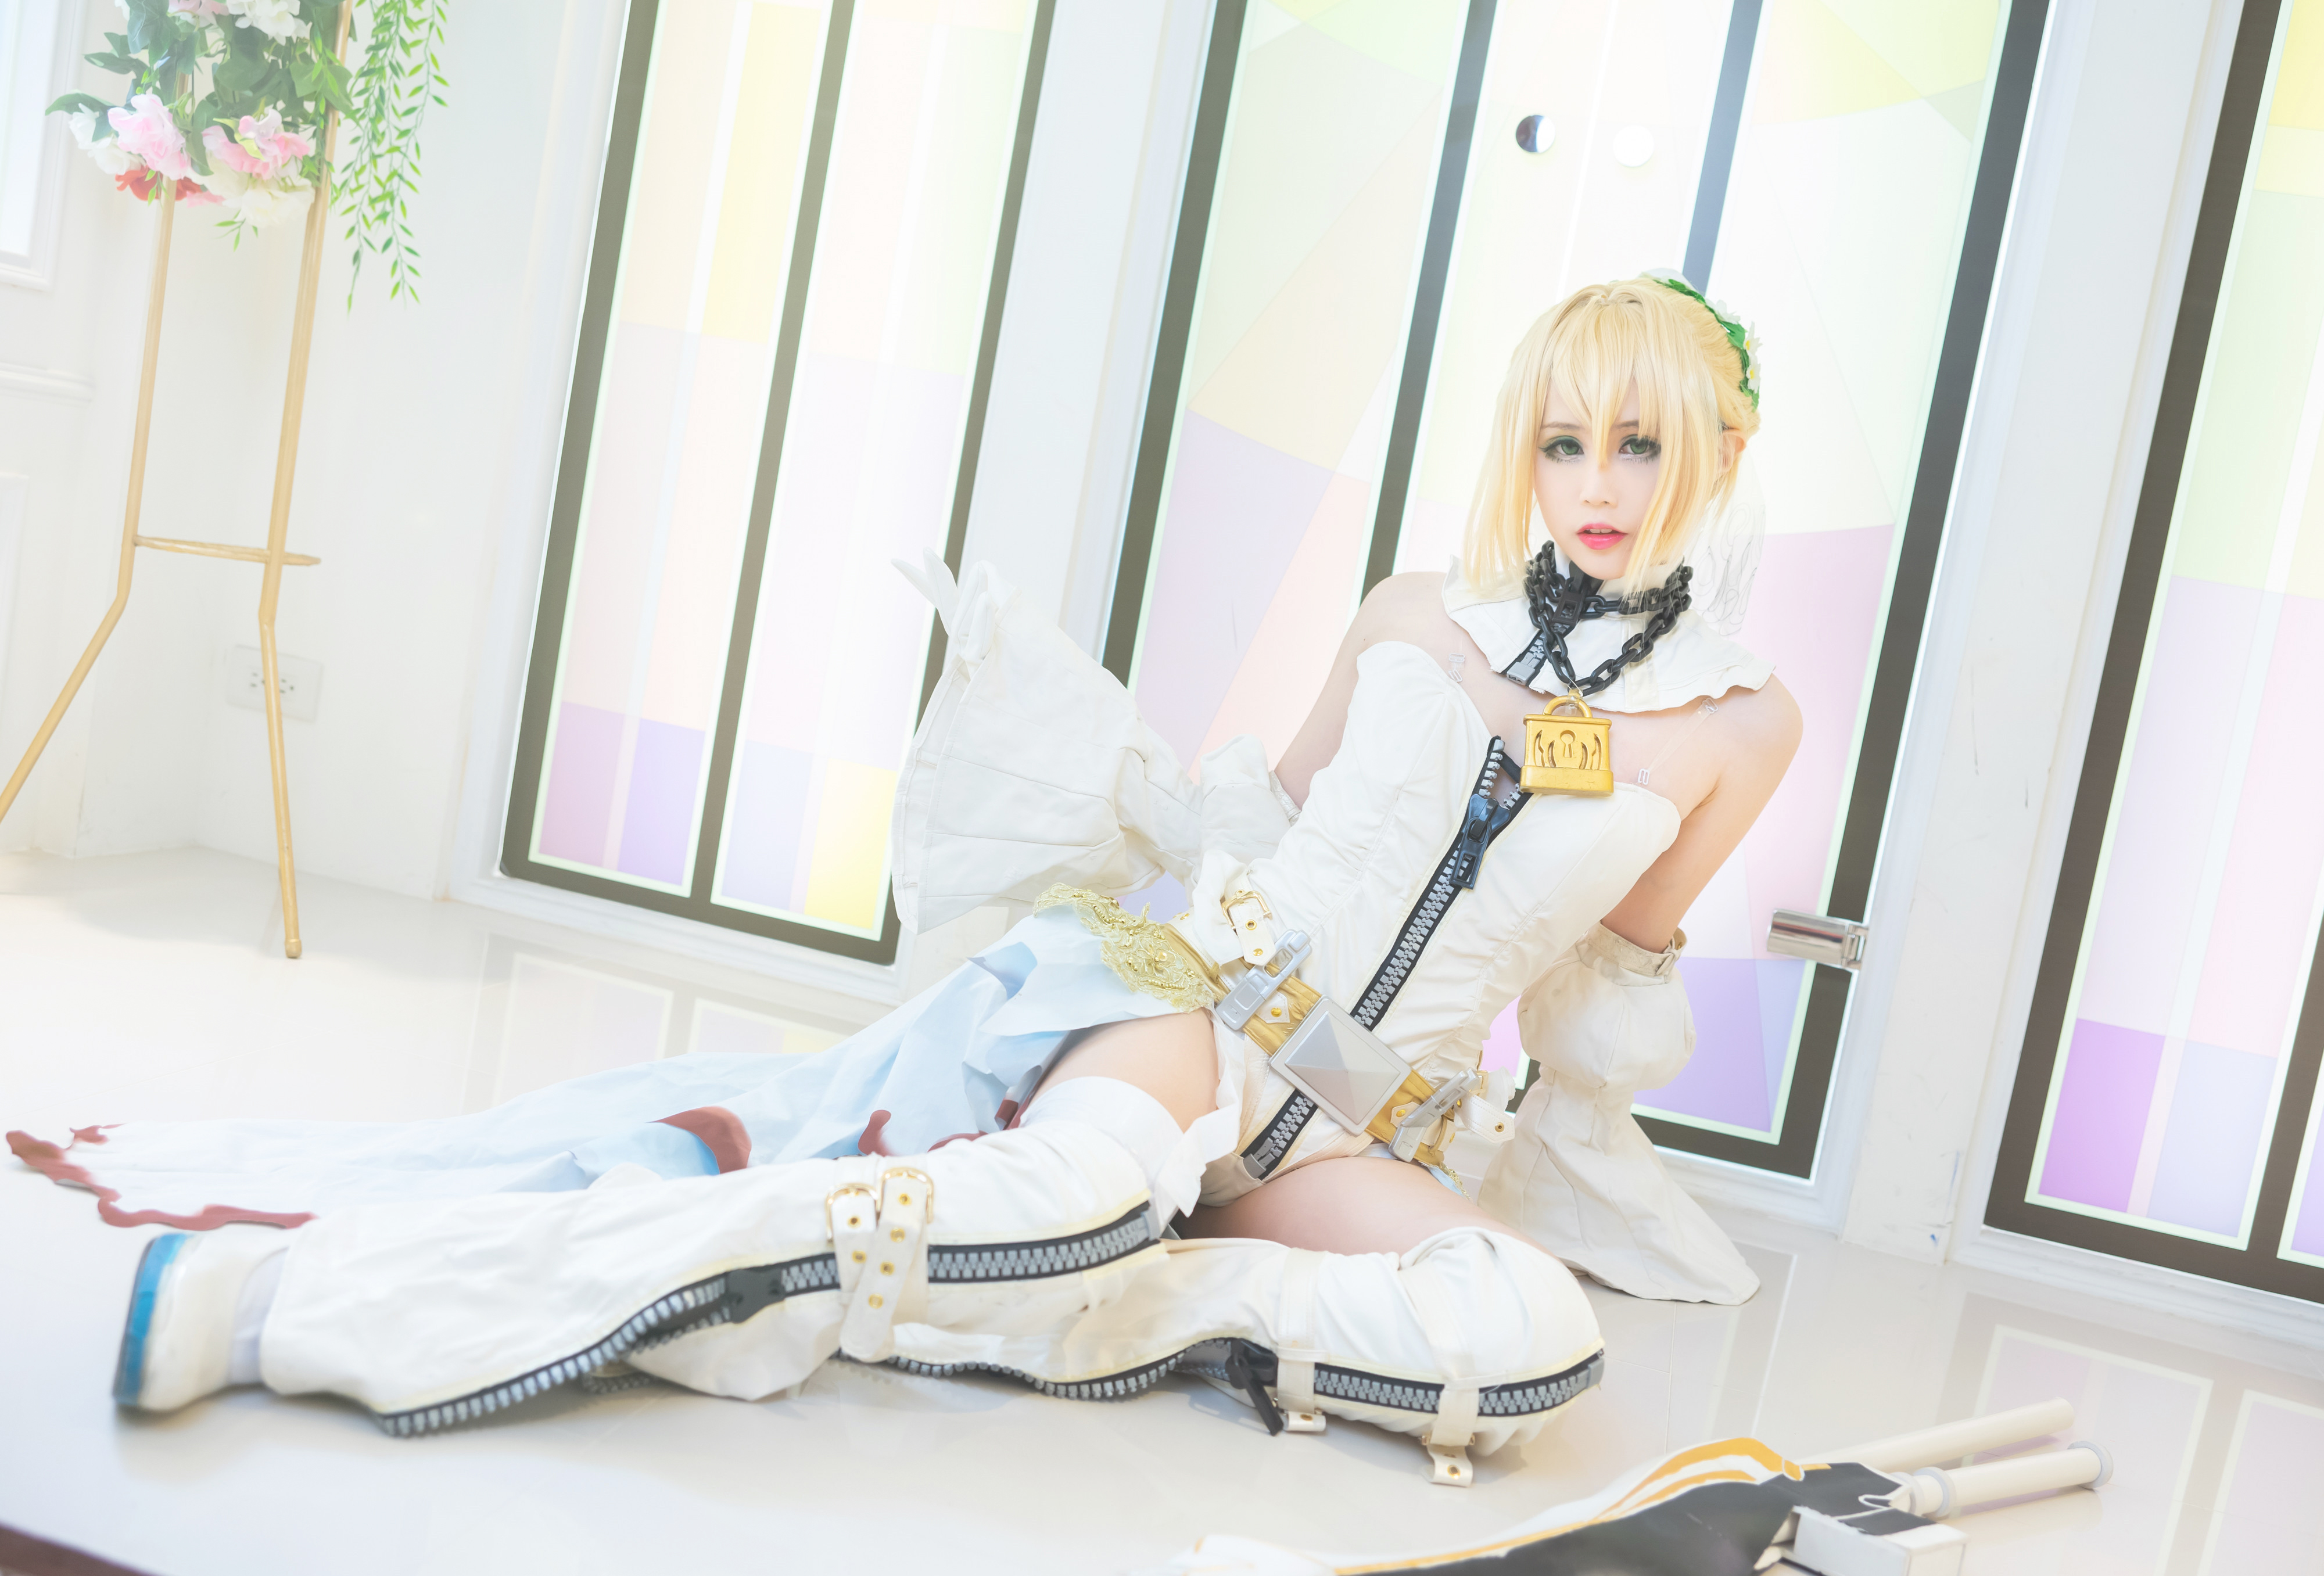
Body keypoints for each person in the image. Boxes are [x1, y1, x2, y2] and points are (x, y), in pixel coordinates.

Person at [27, 275, 1799, 1481]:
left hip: (1362, 1126)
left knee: (1527, 1339)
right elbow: (1261, 820)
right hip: (1200, 1004)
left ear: (1720, 452)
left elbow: (1606, 997)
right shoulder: (1416, 610)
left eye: (1641, 443)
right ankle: (294, 1313)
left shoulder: (1743, 727)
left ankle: (1078, 1293)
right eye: (1564, 440)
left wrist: (1586, 1159)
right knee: (1063, 1197)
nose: (1597, 483)